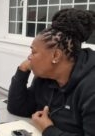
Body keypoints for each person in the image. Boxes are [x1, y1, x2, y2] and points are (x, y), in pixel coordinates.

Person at [7, 8, 95, 136]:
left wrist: (48, 129)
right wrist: (22, 71)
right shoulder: (46, 77)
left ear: (56, 56)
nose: (29, 57)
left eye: (33, 52)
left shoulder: (90, 88)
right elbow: (18, 108)